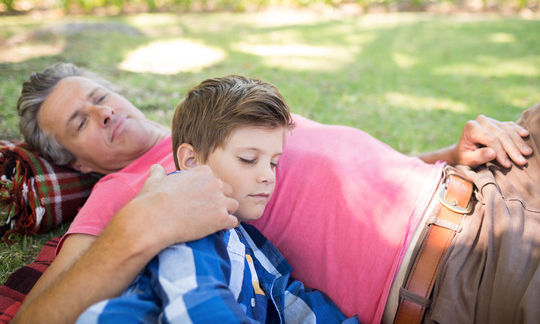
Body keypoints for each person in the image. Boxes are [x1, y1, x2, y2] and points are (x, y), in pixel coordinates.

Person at [12, 63, 534, 324]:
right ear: (74, 161)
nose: (104, 112)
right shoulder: (124, 191)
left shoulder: (219, 105)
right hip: (461, 266)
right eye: (81, 121)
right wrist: (137, 228)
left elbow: (352, 169)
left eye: (100, 96)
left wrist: (451, 154)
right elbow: (38, 315)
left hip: (485, 179)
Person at [77, 74, 358, 323]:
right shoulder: (182, 215)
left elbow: (286, 298)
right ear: (192, 160)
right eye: (248, 159)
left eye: (273, 162)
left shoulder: (244, 241)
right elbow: (197, 306)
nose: (268, 176)